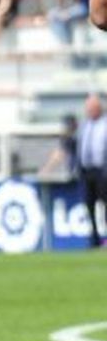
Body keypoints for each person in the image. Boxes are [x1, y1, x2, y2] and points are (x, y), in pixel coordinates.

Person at [75, 95, 107, 248]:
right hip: (87, 172)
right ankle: (94, 241)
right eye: (88, 108)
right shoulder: (84, 125)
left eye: (93, 108)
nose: (90, 111)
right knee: (90, 206)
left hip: (103, 171)